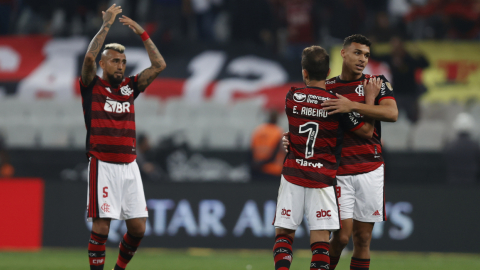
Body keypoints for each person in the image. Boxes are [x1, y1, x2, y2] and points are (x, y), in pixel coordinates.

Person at [283, 34, 398, 270]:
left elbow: (392, 114)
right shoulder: (329, 87)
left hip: (370, 168)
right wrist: (291, 138)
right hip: (339, 171)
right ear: (343, 53)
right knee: (342, 237)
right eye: (357, 53)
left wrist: (353, 105)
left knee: (363, 239)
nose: (362, 59)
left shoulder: (377, 83)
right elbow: (310, 118)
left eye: (366, 55)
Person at [80, 4, 166, 270]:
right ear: (103, 64)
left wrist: (141, 31)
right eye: (115, 61)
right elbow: (87, 61)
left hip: (130, 165)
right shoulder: (92, 85)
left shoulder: (130, 87)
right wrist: (107, 24)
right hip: (102, 163)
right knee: (102, 227)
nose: (120, 66)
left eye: (123, 62)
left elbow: (159, 64)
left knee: (138, 228)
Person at [250, 110, 285, 181]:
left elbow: (251, 151)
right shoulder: (279, 132)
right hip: (274, 171)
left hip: (258, 171)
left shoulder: (258, 131)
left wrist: (257, 164)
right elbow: (275, 154)